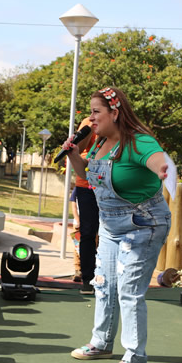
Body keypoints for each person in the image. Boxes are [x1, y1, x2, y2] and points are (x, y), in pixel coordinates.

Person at [65, 87, 171, 363]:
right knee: (104, 284)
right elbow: (87, 175)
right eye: (90, 112)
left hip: (143, 224)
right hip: (111, 227)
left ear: (114, 113)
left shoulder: (138, 142)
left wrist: (162, 169)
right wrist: (73, 155)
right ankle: (101, 342)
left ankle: (135, 359)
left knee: (129, 289)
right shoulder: (99, 142)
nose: (90, 118)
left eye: (96, 112)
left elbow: (157, 159)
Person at [71, 118, 99, 294]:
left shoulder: (119, 123)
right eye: (92, 110)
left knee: (111, 232)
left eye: (97, 110)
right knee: (88, 232)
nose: (93, 113)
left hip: (111, 184)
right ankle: (88, 279)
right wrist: (90, 128)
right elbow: (79, 149)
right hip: (87, 184)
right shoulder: (88, 123)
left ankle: (110, 278)